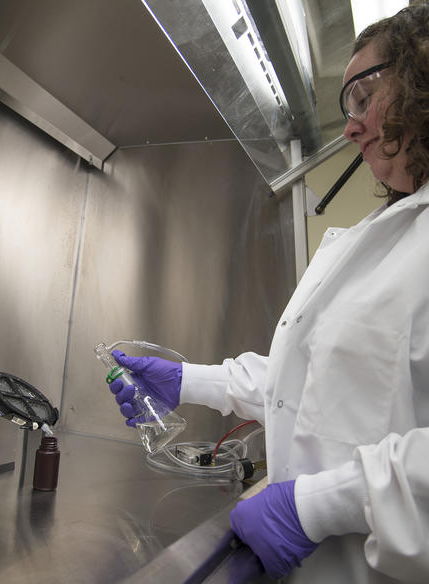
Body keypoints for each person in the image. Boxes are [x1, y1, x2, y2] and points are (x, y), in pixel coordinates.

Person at [109, 4, 429, 583]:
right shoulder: (379, 241)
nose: (352, 125)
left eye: (363, 97)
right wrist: (188, 382)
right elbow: (310, 391)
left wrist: (315, 508)